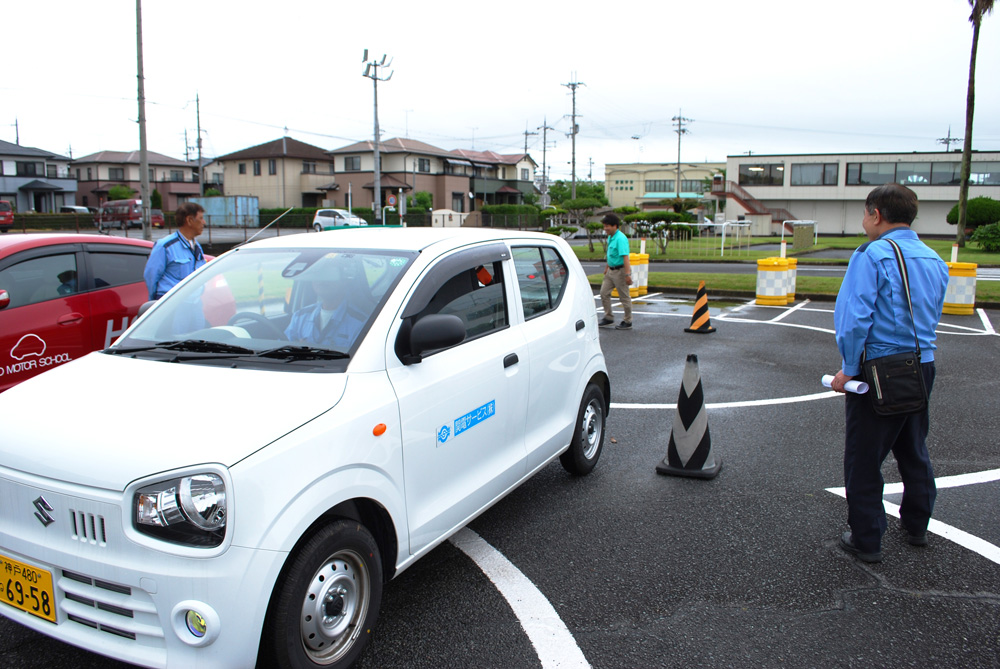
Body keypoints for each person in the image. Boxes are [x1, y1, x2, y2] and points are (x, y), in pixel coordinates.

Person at [831, 183, 949, 563]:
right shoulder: (933, 258)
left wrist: (849, 371)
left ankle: (866, 538)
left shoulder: (873, 254)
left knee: (864, 457)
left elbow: (854, 320)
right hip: (921, 363)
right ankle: (916, 524)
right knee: (913, 447)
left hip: (880, 368)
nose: (864, 222)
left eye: (865, 214)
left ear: (876, 214)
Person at [284, 257, 368, 350]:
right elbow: (284, 350)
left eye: (329, 274)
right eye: (318, 274)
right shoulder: (299, 317)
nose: (322, 280)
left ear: (344, 280)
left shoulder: (360, 323)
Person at [144, 202, 207, 300]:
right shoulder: (165, 246)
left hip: (193, 302)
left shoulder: (196, 246)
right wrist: (155, 302)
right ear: (189, 220)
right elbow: (151, 275)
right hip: (170, 303)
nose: (204, 222)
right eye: (201, 218)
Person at [598, 213, 633, 330]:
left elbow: (625, 258)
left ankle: (628, 321)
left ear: (615, 226)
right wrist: (607, 267)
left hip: (620, 271)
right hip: (610, 271)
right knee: (604, 293)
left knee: (624, 297)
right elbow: (610, 254)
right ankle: (608, 317)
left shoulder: (620, 238)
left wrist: (627, 275)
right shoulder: (610, 237)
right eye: (604, 226)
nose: (605, 229)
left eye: (607, 226)